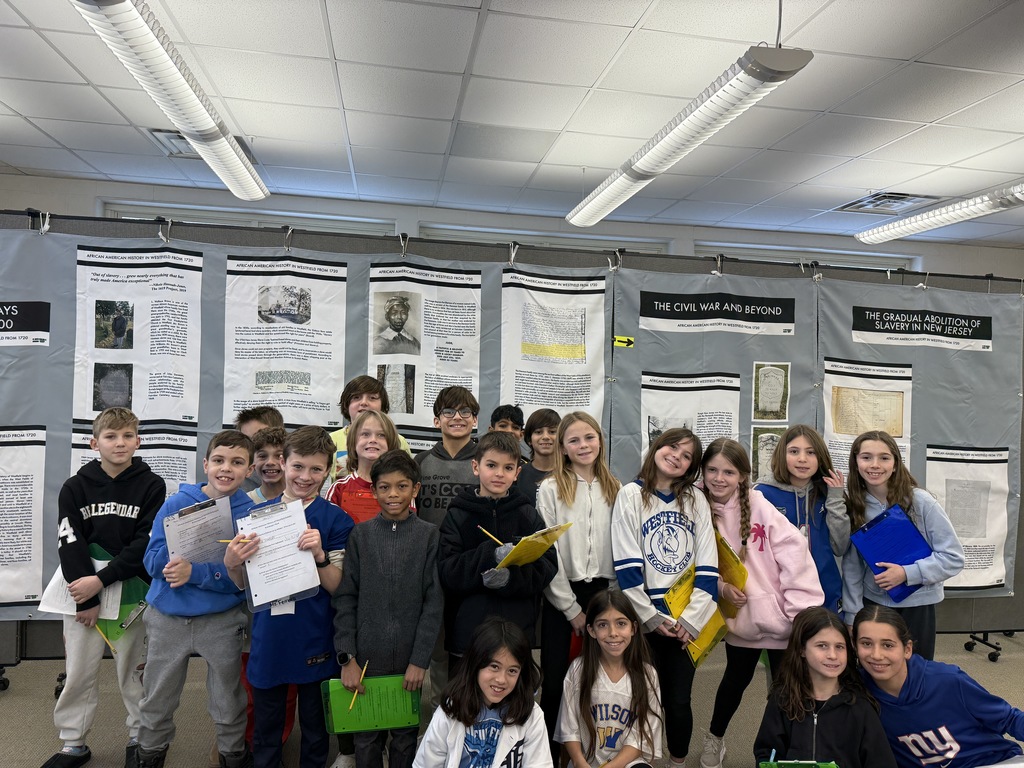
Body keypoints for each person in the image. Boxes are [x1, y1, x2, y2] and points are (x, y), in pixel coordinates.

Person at [43, 407, 166, 768]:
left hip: (132, 592)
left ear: (138, 441)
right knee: (79, 671)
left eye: (127, 436)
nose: (120, 443)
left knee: (134, 672)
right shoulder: (75, 487)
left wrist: (103, 579)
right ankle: (73, 743)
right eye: (111, 436)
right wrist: (87, 597)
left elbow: (145, 542)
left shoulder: (152, 485)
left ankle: (141, 739)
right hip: (83, 594)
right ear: (94, 443)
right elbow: (69, 541)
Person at [226, 426, 354, 768]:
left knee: (315, 727)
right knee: (266, 726)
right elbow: (242, 584)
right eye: (298, 466)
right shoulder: (254, 517)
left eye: (316, 469)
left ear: (328, 470)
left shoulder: (337, 519)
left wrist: (320, 556)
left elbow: (339, 588)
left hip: (315, 633)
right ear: (283, 463)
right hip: (270, 635)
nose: (305, 477)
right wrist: (232, 563)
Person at [698, 439, 823, 768]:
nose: (719, 478)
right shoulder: (696, 506)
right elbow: (691, 565)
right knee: (734, 682)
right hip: (739, 622)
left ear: (742, 476)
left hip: (783, 623)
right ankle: (715, 738)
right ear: (702, 471)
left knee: (786, 691)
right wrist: (721, 587)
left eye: (728, 472)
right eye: (712, 470)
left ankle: (782, 751)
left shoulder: (759, 506)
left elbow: (795, 555)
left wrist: (797, 615)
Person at [134, 430, 256, 768]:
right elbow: (151, 561)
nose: (226, 468)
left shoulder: (249, 514)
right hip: (168, 618)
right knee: (157, 696)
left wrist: (196, 573)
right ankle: (149, 754)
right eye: (218, 460)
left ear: (249, 470)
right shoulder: (176, 503)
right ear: (205, 464)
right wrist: (176, 563)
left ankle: (233, 755)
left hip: (221, 620)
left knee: (228, 699)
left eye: (237, 462)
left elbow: (242, 582)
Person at [610, 428, 718, 768]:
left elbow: (708, 564)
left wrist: (692, 619)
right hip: (644, 620)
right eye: (672, 447)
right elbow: (627, 565)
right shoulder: (630, 494)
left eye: (687, 456)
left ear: (691, 467)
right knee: (640, 697)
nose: (677, 457)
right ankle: (638, 760)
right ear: (657, 447)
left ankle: (677, 762)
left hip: (684, 623)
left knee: (678, 700)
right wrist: (649, 616)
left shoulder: (696, 499)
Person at [333, 450, 443, 768]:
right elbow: (345, 598)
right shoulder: (361, 535)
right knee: (366, 740)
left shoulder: (429, 536)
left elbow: (434, 602)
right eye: (384, 487)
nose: (393, 494)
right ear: (374, 490)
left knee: (405, 738)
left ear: (415, 489)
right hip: (365, 661)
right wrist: (347, 657)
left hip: (409, 664)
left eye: (402, 486)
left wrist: (419, 661)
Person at [538, 412, 621, 754]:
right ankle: (547, 755)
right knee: (556, 682)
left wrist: (613, 598)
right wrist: (570, 608)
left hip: (604, 594)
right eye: (574, 440)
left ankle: (591, 753)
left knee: (598, 681)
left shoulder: (616, 488)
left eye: (589, 437)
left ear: (600, 440)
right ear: (562, 448)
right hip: (562, 595)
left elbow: (621, 545)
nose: (583, 445)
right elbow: (549, 551)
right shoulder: (551, 488)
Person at [842, 431, 964, 660]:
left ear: (896, 464)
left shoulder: (921, 502)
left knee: (915, 670)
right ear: (856, 462)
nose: (875, 464)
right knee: (875, 668)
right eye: (866, 457)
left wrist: (907, 573)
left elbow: (953, 558)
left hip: (918, 606)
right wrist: (852, 614)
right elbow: (852, 568)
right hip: (873, 605)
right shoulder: (854, 506)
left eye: (884, 458)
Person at [854, 605, 1024, 768]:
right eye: (866, 644)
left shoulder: (947, 680)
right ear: (854, 646)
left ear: (907, 649)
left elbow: (1009, 719)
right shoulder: (857, 695)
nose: (876, 655)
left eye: (888, 645)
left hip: (992, 761)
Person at [437, 431, 557, 662]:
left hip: (517, 634)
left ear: (517, 473)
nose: (499, 474)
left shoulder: (527, 514)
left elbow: (548, 566)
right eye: (491, 465)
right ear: (476, 467)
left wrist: (510, 579)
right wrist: (490, 556)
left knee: (513, 684)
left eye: (508, 468)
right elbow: (448, 571)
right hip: (468, 637)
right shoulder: (457, 514)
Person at [754, 607, 896, 768]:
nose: (832, 655)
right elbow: (765, 753)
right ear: (801, 650)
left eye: (839, 647)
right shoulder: (783, 699)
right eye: (822, 646)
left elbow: (881, 762)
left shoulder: (860, 707)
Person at [413, 617, 552, 768]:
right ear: (476, 663)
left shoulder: (531, 715)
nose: (501, 679)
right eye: (494, 666)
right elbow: (426, 764)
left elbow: (540, 764)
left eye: (512, 671)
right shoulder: (450, 710)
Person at [555, 590, 663, 768]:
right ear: (591, 630)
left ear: (633, 628)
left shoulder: (647, 675)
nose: (613, 632)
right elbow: (569, 729)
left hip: (628, 763)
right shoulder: (578, 670)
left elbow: (642, 736)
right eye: (603, 625)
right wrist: (580, 762)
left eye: (621, 623)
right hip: (586, 762)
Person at [754, 424, 848, 615]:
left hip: (826, 592)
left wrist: (835, 499)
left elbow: (840, 546)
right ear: (782, 454)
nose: (802, 459)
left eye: (811, 452)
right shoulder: (762, 494)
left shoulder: (829, 493)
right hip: (780, 594)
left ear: (820, 457)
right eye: (794, 451)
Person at [416, 386, 480, 527]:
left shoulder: (486, 461)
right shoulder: (420, 461)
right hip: (428, 541)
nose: (457, 417)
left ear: (474, 420)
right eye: (449, 412)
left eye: (465, 411)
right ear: (437, 421)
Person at [328, 375, 412, 482]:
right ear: (346, 404)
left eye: (372, 398)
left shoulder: (399, 441)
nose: (364, 402)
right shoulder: (331, 440)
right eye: (356, 397)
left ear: (382, 405)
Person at [326, 410, 399, 524]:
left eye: (381, 435)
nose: (373, 440)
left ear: (391, 443)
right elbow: (327, 529)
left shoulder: (402, 489)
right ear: (353, 441)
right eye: (365, 434)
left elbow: (410, 529)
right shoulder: (338, 488)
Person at [515, 408, 560, 507]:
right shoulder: (518, 474)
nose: (545, 437)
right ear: (529, 439)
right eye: (538, 432)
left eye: (552, 432)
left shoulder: (570, 474)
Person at [247, 427, 286, 504]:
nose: (270, 462)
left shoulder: (302, 498)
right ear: (252, 461)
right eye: (262, 456)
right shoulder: (245, 502)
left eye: (279, 456)